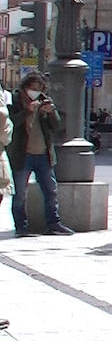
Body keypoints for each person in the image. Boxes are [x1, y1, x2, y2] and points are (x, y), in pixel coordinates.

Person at [8, 72, 73, 236]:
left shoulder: (45, 100)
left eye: (39, 88)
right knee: (20, 194)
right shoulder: (15, 101)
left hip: (43, 154)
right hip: (22, 155)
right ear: (25, 87)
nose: (35, 91)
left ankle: (53, 223)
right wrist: (27, 111)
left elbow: (57, 126)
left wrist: (51, 112)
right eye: (33, 87)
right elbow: (11, 122)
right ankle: (21, 227)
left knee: (50, 190)